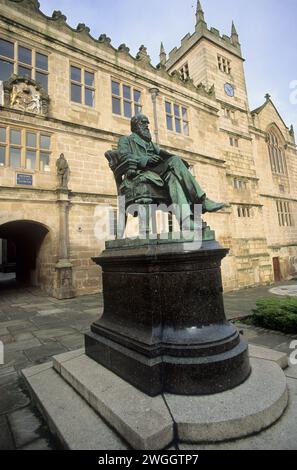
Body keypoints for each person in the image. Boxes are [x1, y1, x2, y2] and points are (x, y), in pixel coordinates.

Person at [118, 114, 225, 229]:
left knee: (173, 178)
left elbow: (163, 154)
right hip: (141, 172)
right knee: (175, 161)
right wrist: (146, 160)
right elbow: (124, 157)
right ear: (135, 125)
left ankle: (186, 221)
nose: (147, 125)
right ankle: (202, 201)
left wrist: (178, 160)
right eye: (143, 123)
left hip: (157, 172)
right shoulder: (126, 140)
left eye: (147, 123)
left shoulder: (151, 144)